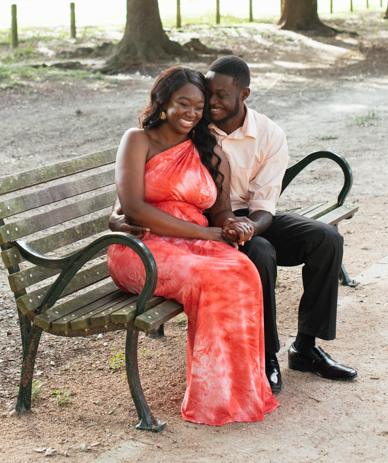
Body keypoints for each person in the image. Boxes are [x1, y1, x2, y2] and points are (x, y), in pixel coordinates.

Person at [111, 55, 357, 395]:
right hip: (204, 224)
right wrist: (118, 213)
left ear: (244, 95)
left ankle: (305, 347)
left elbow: (263, 206)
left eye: (217, 96)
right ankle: (266, 355)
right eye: (204, 95)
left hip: (247, 217)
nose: (208, 104)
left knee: (326, 239)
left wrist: (244, 227)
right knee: (260, 254)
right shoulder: (194, 128)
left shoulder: (266, 135)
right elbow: (144, 186)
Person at [107, 65, 278, 427]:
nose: (191, 113)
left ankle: (242, 390)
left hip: (194, 243)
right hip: (140, 248)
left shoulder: (207, 147)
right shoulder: (138, 140)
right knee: (210, 279)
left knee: (243, 268)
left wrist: (230, 226)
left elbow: (219, 211)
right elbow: (133, 207)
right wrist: (204, 235)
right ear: (162, 101)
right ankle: (213, 398)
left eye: (198, 107)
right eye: (183, 103)